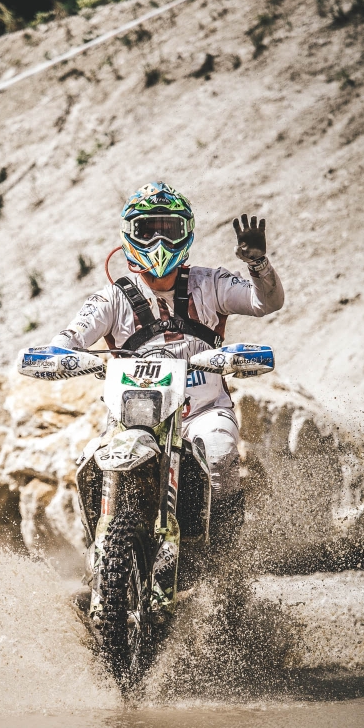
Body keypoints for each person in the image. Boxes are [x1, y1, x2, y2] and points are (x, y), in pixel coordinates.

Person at [51, 180, 284, 565]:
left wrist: (258, 265)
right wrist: (59, 356)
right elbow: (71, 336)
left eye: (169, 230)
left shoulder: (211, 282)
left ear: (185, 233)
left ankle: (225, 562)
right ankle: (100, 553)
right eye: (148, 230)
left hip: (203, 411)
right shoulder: (112, 298)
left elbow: (265, 302)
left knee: (220, 452)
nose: (159, 241)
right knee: (90, 460)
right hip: (132, 417)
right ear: (130, 234)